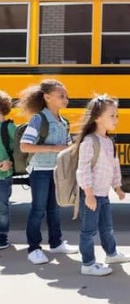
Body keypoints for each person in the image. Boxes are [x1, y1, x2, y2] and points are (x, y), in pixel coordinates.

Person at [18, 79, 79, 264]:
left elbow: (66, 146)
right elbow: (25, 146)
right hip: (41, 171)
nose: (65, 99)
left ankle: (56, 243)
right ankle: (34, 248)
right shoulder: (39, 119)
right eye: (61, 96)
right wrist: (54, 148)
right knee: (38, 209)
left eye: (66, 96)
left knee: (54, 209)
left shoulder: (64, 121)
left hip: (57, 171)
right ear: (47, 97)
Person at [75, 94, 130, 276]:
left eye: (117, 115)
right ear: (97, 117)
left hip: (104, 194)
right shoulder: (89, 141)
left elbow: (114, 166)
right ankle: (88, 263)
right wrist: (90, 194)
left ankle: (111, 254)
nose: (116, 119)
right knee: (88, 231)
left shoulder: (109, 141)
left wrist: (117, 187)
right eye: (112, 116)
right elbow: (83, 170)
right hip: (91, 195)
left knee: (107, 228)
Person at [0, 90, 15, 250]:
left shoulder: (9, 127)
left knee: (2, 208)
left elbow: (19, 150)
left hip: (3, 176)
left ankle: (2, 236)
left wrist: (10, 162)